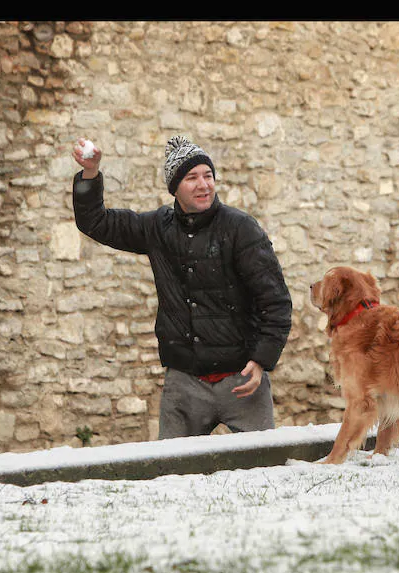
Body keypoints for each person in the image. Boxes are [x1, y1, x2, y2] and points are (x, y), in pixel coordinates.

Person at [71, 135, 293, 439]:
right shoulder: (156, 228)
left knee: (265, 471)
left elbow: (275, 300)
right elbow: (95, 222)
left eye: (208, 176)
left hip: (242, 380)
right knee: (170, 477)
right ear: (174, 187)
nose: (203, 185)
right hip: (184, 384)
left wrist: (261, 360)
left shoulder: (241, 228)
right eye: (191, 178)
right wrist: (91, 174)